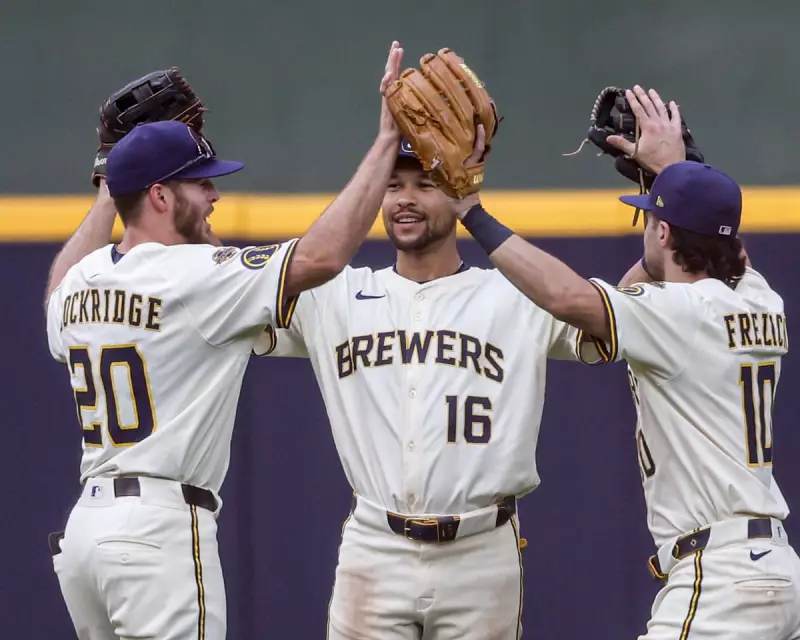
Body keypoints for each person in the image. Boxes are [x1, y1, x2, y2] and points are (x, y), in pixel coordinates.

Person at [44, 41, 406, 640]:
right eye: (200, 184)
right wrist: (387, 140)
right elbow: (322, 256)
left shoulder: (85, 280)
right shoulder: (195, 276)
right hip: (157, 533)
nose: (214, 196)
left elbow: (57, 292)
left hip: (87, 536)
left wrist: (113, 179)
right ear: (161, 196)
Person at [450, 85, 800, 639]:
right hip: (777, 569)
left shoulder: (677, 314)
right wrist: (677, 172)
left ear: (663, 231)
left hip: (721, 579)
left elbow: (568, 298)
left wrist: (471, 213)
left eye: (653, 217)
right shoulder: (760, 298)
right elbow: (720, 242)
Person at [256, 132, 604, 637]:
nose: (405, 199)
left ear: (457, 190)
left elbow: (614, 318)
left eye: (425, 184)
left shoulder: (516, 296)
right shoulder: (336, 295)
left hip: (482, 550)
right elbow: (225, 294)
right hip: (375, 546)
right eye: (393, 185)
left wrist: (663, 191)